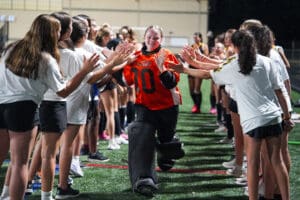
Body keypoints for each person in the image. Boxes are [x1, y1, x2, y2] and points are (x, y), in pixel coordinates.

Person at [173, 30, 293, 200]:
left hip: (254, 121)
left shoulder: (234, 65)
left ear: (235, 46)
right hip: (274, 117)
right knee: (277, 161)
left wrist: (185, 69)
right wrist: (286, 117)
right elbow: (280, 92)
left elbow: (209, 74)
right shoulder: (266, 62)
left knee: (252, 163)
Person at [0, 14, 99, 200]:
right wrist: (84, 72)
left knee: (13, 161)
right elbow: (63, 91)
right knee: (20, 163)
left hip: (1, 103)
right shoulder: (46, 59)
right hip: (23, 109)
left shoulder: (11, 48)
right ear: (52, 34)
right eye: (59, 31)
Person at [113, 25, 185, 197]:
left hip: (167, 106)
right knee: (142, 140)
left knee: (167, 147)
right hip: (144, 105)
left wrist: (161, 68)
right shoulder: (136, 57)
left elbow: (171, 83)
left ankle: (166, 150)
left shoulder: (167, 56)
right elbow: (127, 81)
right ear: (144, 37)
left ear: (162, 39)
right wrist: (121, 62)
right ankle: (144, 179)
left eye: (156, 38)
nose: (152, 40)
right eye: (149, 37)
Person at [188, 32, 209, 113]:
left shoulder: (204, 46)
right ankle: (195, 104)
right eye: (194, 37)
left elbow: (206, 57)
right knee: (191, 90)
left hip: (199, 69)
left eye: (196, 37)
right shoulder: (192, 46)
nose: (195, 39)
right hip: (191, 69)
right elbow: (189, 57)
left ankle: (198, 108)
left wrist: (198, 55)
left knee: (197, 89)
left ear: (200, 38)